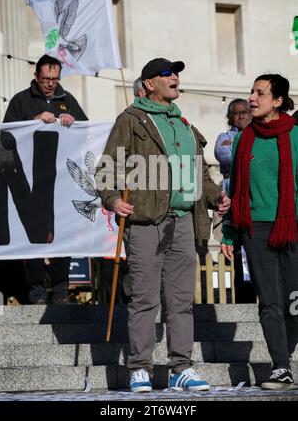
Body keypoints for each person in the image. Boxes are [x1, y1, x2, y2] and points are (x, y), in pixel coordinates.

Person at [96, 57, 230, 392]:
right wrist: (112, 199)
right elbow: (107, 168)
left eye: (177, 73)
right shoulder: (131, 120)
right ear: (149, 83)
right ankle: (139, 367)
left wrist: (215, 196)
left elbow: (200, 174)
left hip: (183, 220)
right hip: (146, 222)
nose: (175, 78)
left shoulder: (183, 124)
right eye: (167, 73)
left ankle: (180, 367)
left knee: (181, 299)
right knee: (144, 298)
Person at [221, 74, 298, 390]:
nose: (252, 98)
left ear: (277, 101)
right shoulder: (243, 138)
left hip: (292, 226)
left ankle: (286, 353)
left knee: (294, 301)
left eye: (260, 93)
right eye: (251, 92)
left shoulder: (295, 136)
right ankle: (281, 366)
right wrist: (229, 234)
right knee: (269, 301)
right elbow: (235, 189)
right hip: (255, 229)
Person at [3, 54, 88, 304]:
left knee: (63, 235)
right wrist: (33, 123)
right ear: (36, 77)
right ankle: (37, 290)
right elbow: (7, 136)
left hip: (62, 180)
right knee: (34, 237)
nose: (50, 83)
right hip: (30, 182)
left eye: (55, 79)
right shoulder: (21, 101)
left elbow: (86, 133)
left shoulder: (67, 100)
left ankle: (61, 290)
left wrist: (75, 123)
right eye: (45, 79)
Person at [214, 99, 255, 303]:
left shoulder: (258, 134)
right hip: (233, 199)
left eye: (245, 111)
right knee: (238, 252)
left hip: (254, 200)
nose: (241, 116)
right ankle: (243, 300)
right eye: (236, 113)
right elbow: (227, 157)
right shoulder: (224, 137)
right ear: (230, 117)